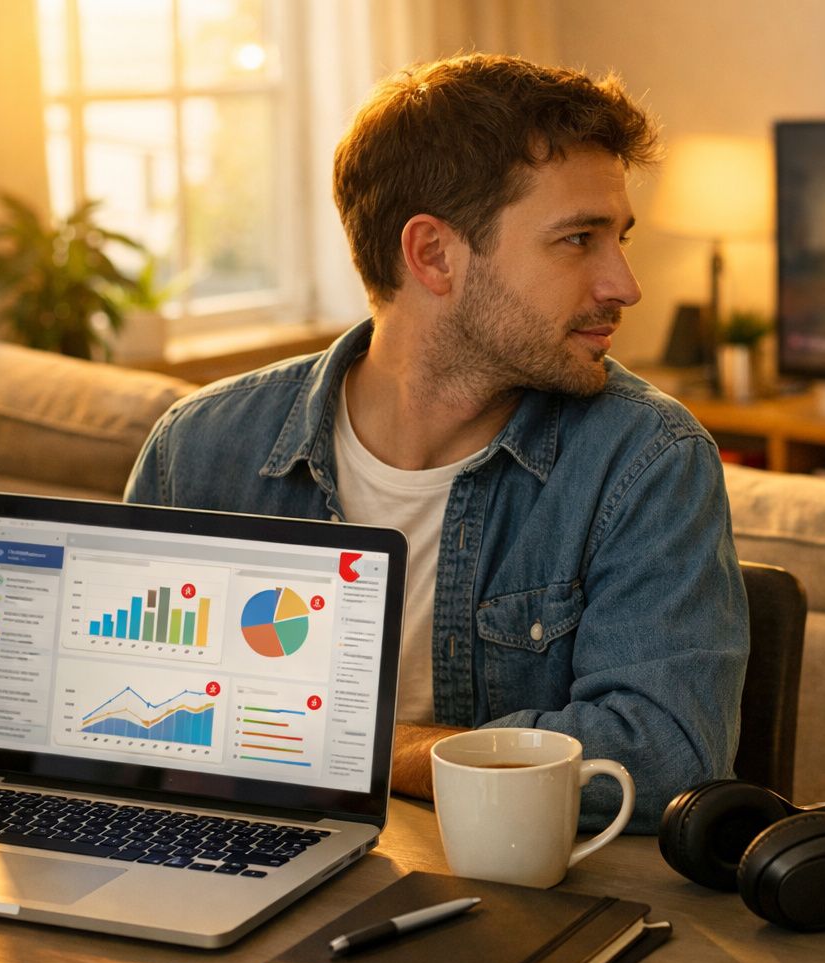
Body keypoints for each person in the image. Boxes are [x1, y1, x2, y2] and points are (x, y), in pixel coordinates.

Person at [124, 54, 749, 833]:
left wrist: (369, 749)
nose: (624, 284)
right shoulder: (202, 447)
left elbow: (665, 758)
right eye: (578, 240)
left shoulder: (647, 460)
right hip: (230, 859)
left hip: (501, 899)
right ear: (433, 255)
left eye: (617, 237)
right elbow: (130, 721)